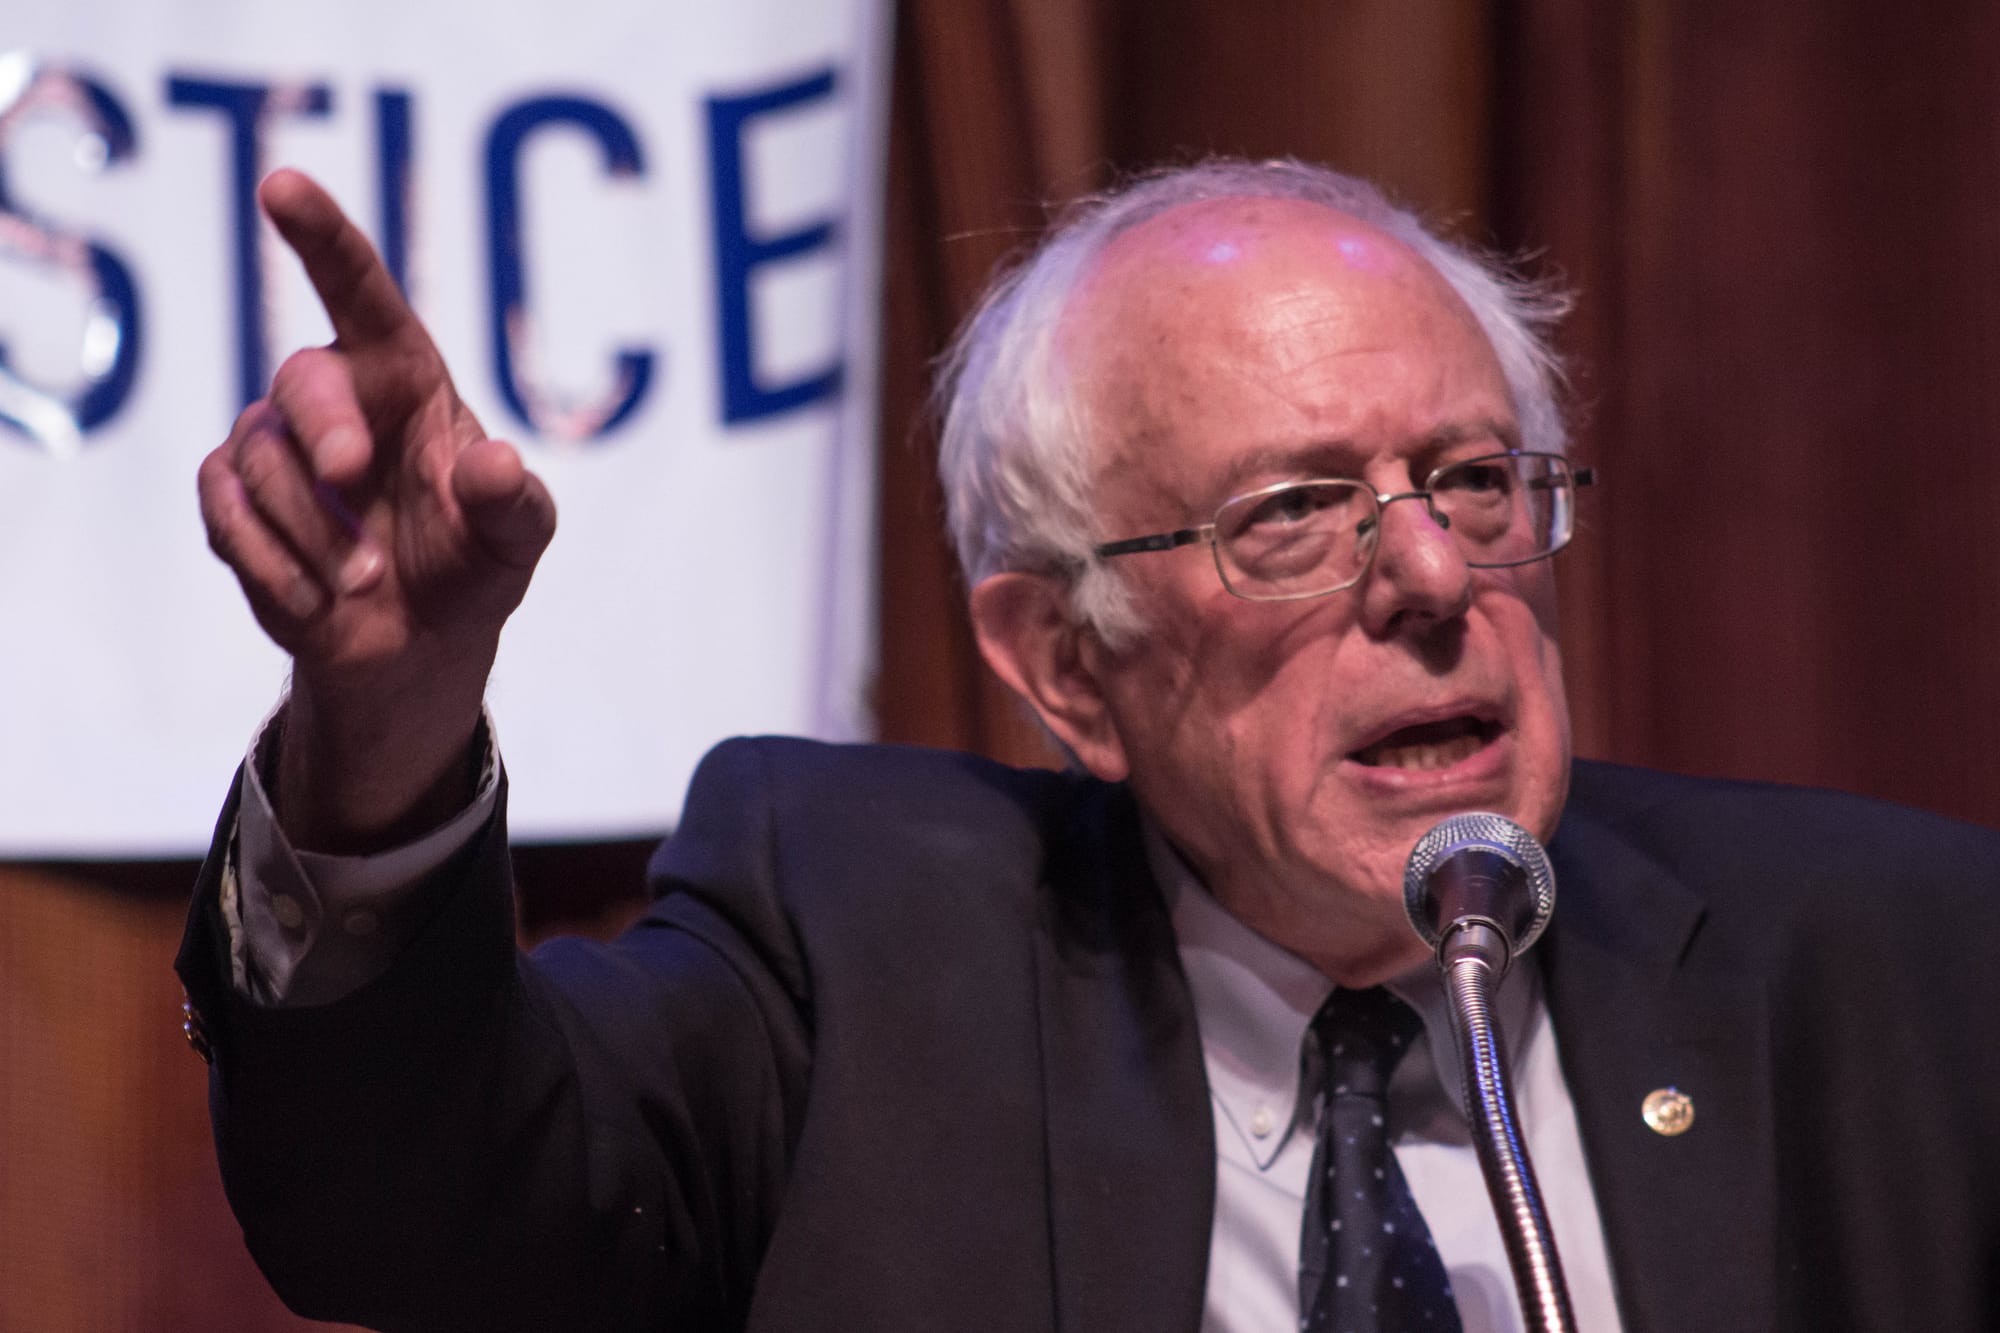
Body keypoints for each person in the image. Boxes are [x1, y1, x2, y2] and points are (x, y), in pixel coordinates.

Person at [177, 159, 2000, 1333]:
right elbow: (405, 1211)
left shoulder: (1900, 965)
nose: (1437, 573)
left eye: (1471, 481)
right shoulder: (860, 944)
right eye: (1291, 515)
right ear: (1066, 660)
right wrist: (384, 735)